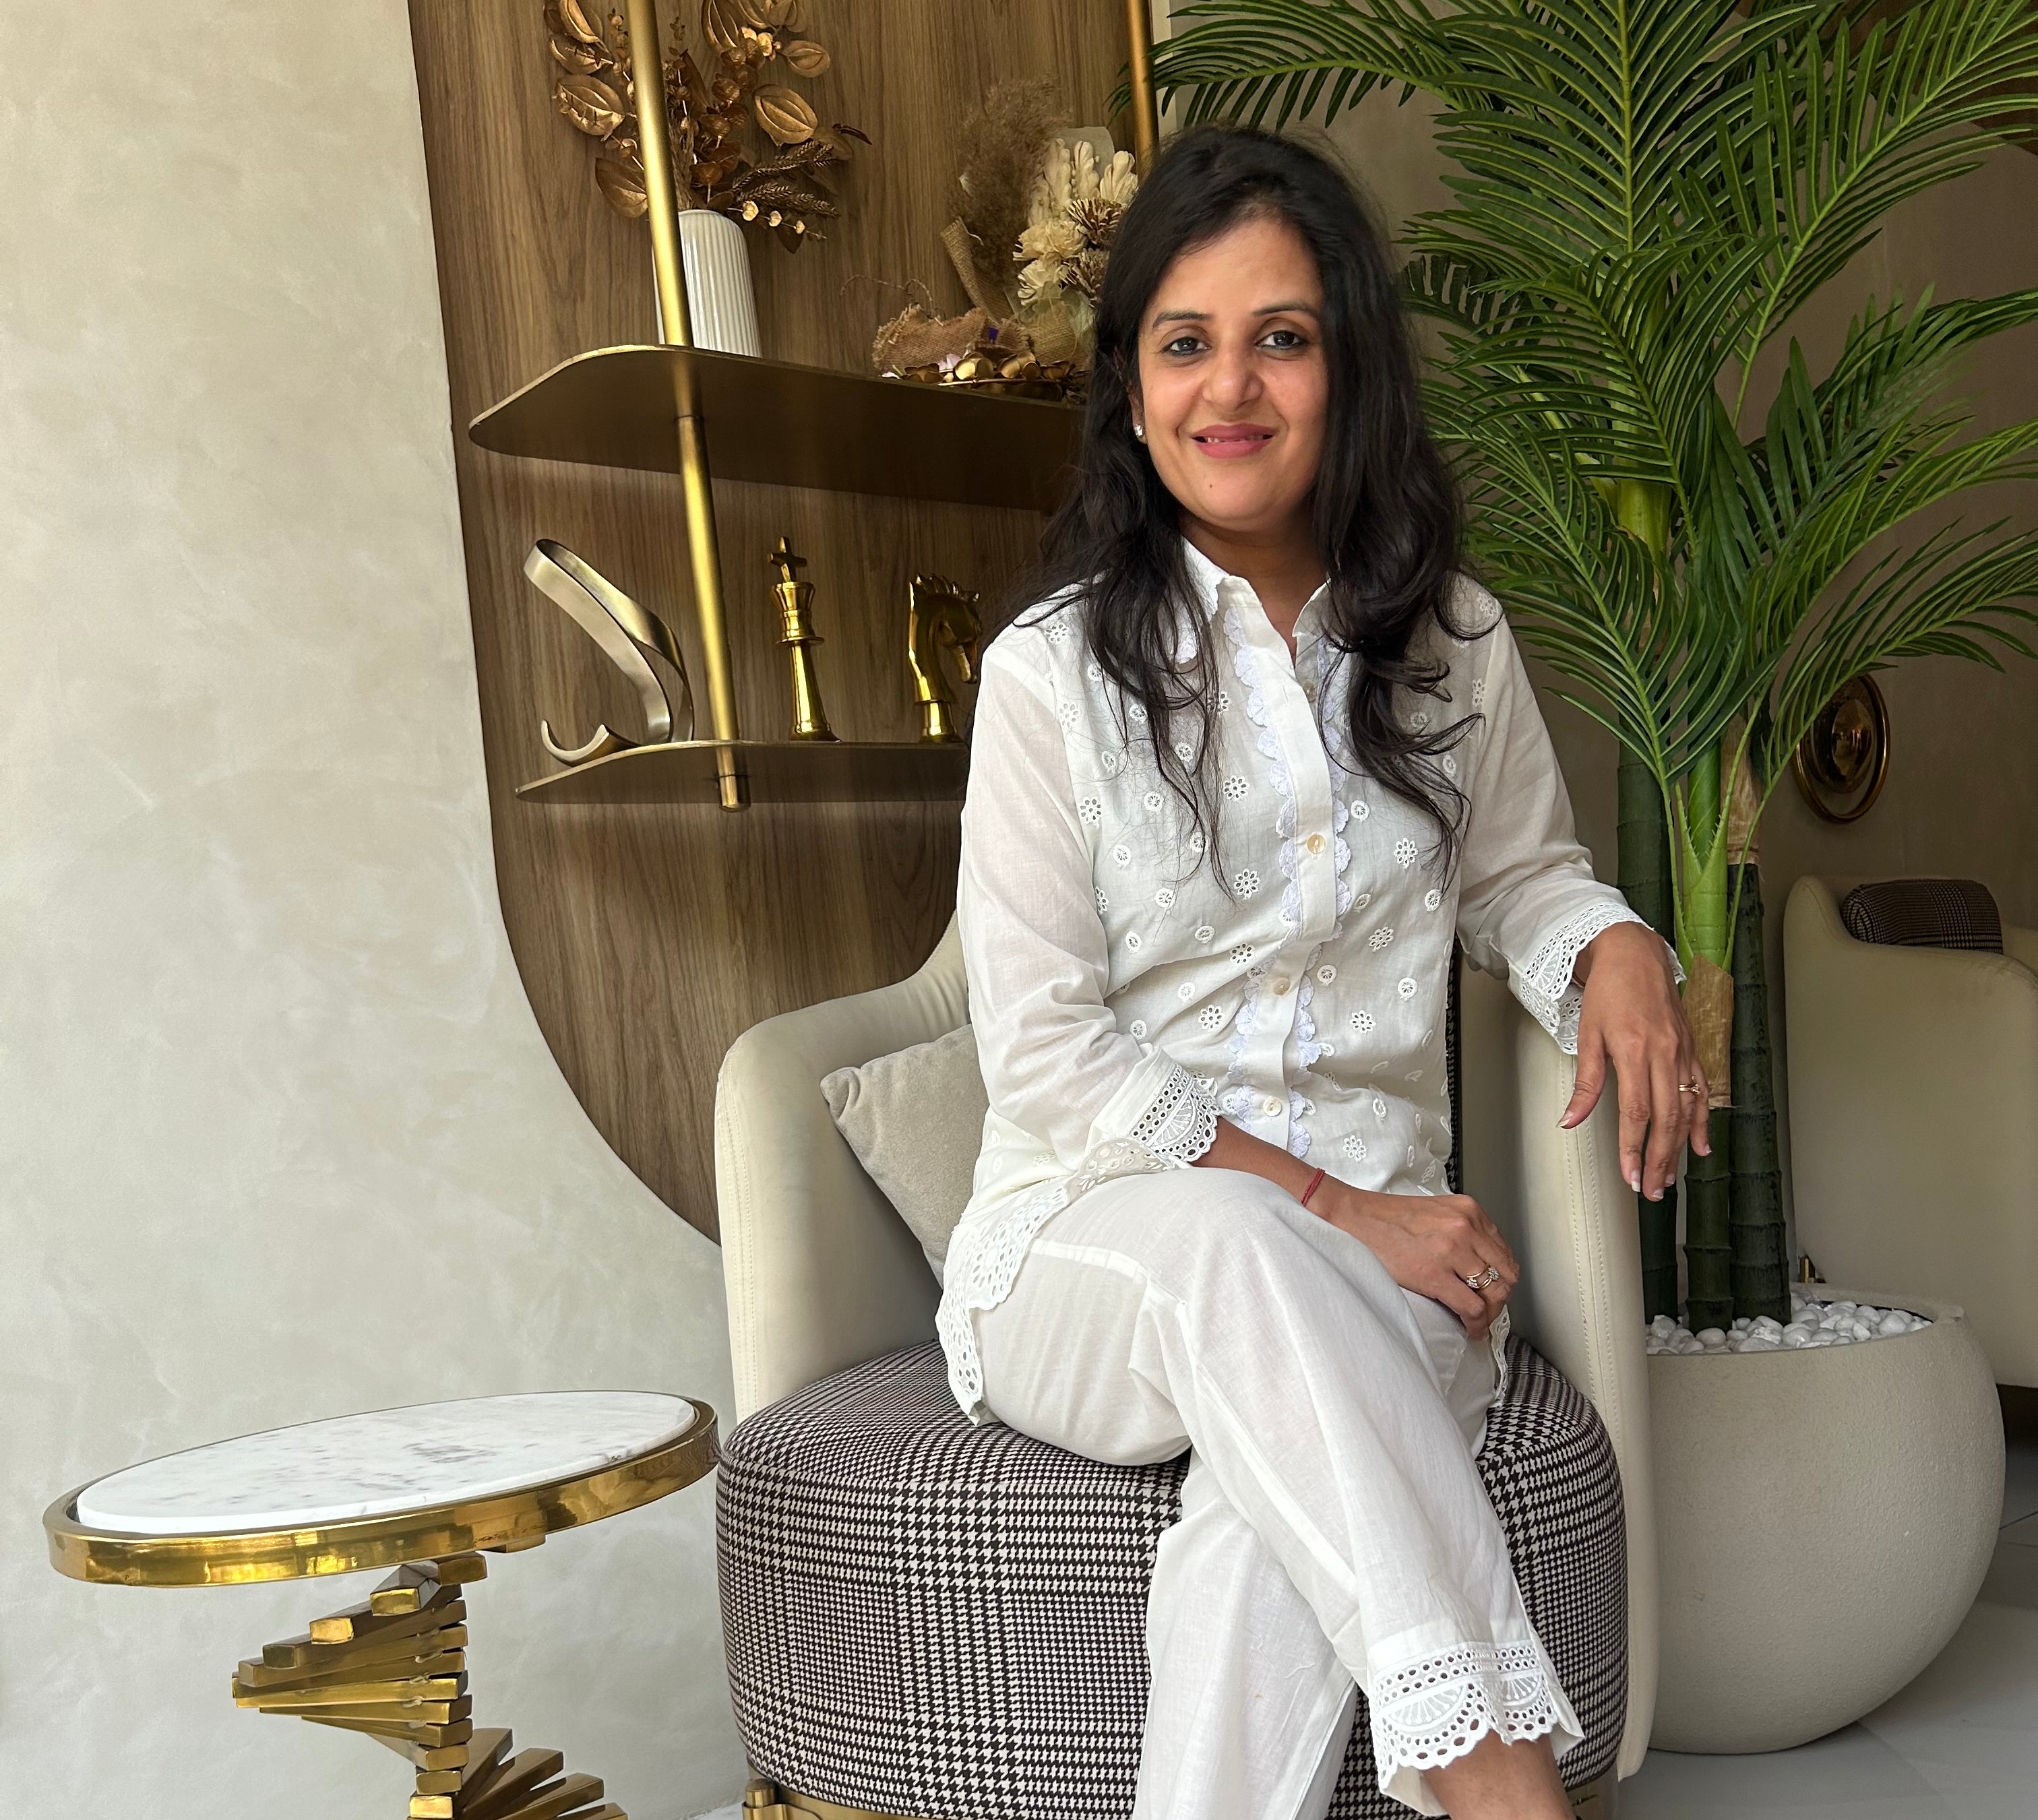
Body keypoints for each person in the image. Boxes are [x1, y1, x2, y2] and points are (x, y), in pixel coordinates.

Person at [935, 125, 1704, 1820]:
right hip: (1086, 1254)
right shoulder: (1051, 676)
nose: (1231, 387)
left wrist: (1615, 943)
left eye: (1280, 337)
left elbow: (1525, 880)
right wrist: (1340, 1213)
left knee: (1262, 1525)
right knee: (1240, 1247)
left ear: (1346, 368)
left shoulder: (1454, 643)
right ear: (1131, 387)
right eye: (1185, 342)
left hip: (1391, 1268)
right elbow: (1047, 1055)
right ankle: (1512, 1795)